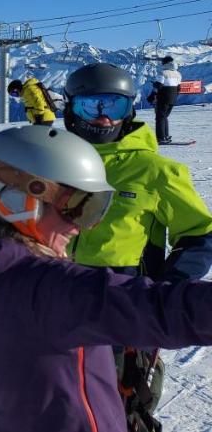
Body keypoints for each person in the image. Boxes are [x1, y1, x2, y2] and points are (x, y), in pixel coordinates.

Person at [0, 124, 212, 432]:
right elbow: (163, 309)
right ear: (22, 199)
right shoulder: (50, 288)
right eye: (76, 208)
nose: (83, 226)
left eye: (95, 209)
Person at [62, 62, 212, 430]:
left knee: (119, 399)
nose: (101, 119)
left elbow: (200, 235)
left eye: (112, 107)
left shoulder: (155, 171)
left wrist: (166, 288)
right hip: (57, 294)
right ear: (70, 107)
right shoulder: (55, 164)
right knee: (58, 388)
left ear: (129, 110)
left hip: (123, 299)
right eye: (90, 106)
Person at [153, 56, 181, 144]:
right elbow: (179, 88)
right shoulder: (178, 74)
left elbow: (159, 86)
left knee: (160, 117)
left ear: (166, 63)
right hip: (173, 98)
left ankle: (161, 138)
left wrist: (154, 84)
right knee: (164, 116)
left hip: (163, 97)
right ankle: (166, 136)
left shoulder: (163, 73)